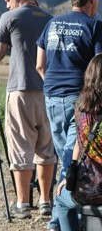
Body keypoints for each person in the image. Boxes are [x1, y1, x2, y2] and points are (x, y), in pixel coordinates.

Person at [36, 0, 102, 231]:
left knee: (65, 155)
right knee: (73, 159)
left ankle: (66, 216)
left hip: (52, 96)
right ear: (91, 0)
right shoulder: (94, 27)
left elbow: (40, 64)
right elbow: (99, 66)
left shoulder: (52, 23)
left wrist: (54, 88)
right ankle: (60, 221)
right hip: (81, 100)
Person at [0, 0, 56, 218]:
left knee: (20, 148)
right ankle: (46, 201)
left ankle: (22, 205)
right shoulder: (50, 19)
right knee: (46, 149)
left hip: (20, 90)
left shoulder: (10, 18)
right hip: (47, 92)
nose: (6, 5)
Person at [54, 53, 102, 231]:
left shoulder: (81, 105)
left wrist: (70, 177)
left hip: (86, 187)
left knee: (62, 202)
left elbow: (78, 144)